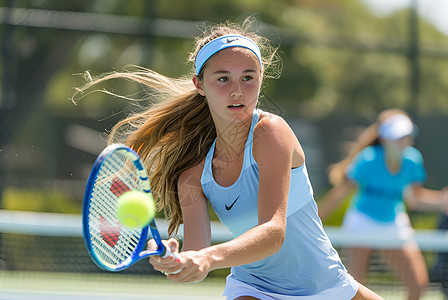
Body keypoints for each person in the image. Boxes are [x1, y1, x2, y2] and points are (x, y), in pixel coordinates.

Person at [73, 18, 382, 300]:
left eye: (247, 77)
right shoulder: (192, 176)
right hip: (254, 290)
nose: (237, 91)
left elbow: (273, 232)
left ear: (261, 79)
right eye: (223, 79)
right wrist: (178, 261)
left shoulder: (271, 133)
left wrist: (208, 257)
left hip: (329, 285)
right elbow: (197, 254)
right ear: (199, 84)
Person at [319, 108, 448, 300]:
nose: (404, 141)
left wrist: (443, 200)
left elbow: (415, 199)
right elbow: (339, 195)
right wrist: (314, 220)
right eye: (398, 136)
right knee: (354, 287)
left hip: (394, 223)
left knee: (418, 284)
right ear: (384, 138)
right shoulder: (368, 159)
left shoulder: (412, 161)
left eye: (407, 136)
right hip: (361, 222)